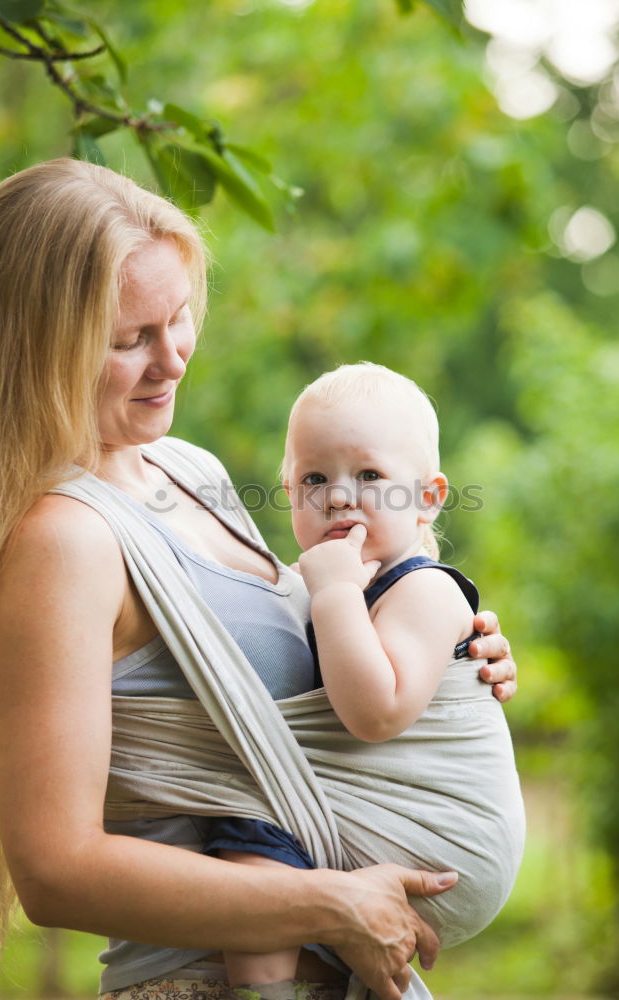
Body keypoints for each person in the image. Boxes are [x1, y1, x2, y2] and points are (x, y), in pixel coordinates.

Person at [0, 159, 519, 1000]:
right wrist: (327, 902)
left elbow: (295, 673)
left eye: (180, 319)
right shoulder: (65, 541)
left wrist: (441, 650)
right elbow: (54, 869)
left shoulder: (183, 467)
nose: (174, 360)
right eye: (131, 341)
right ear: (39, 343)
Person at [204, 364, 525, 998]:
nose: (340, 497)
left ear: (428, 498)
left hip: (446, 845)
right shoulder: (329, 588)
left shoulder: (425, 590)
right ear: (289, 492)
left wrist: (334, 595)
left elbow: (374, 713)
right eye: (314, 479)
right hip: (381, 835)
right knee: (247, 840)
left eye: (370, 476)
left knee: (250, 828)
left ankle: (266, 990)